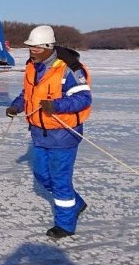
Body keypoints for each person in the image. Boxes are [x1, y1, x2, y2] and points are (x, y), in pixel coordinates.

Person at [6, 25, 92, 239]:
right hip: (39, 133)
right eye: (30, 47)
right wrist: (17, 106)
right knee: (42, 176)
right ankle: (77, 204)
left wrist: (56, 106)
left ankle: (65, 226)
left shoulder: (69, 68)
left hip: (63, 135)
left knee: (60, 180)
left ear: (47, 47)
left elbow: (83, 98)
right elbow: (29, 93)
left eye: (35, 48)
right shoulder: (32, 66)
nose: (31, 51)